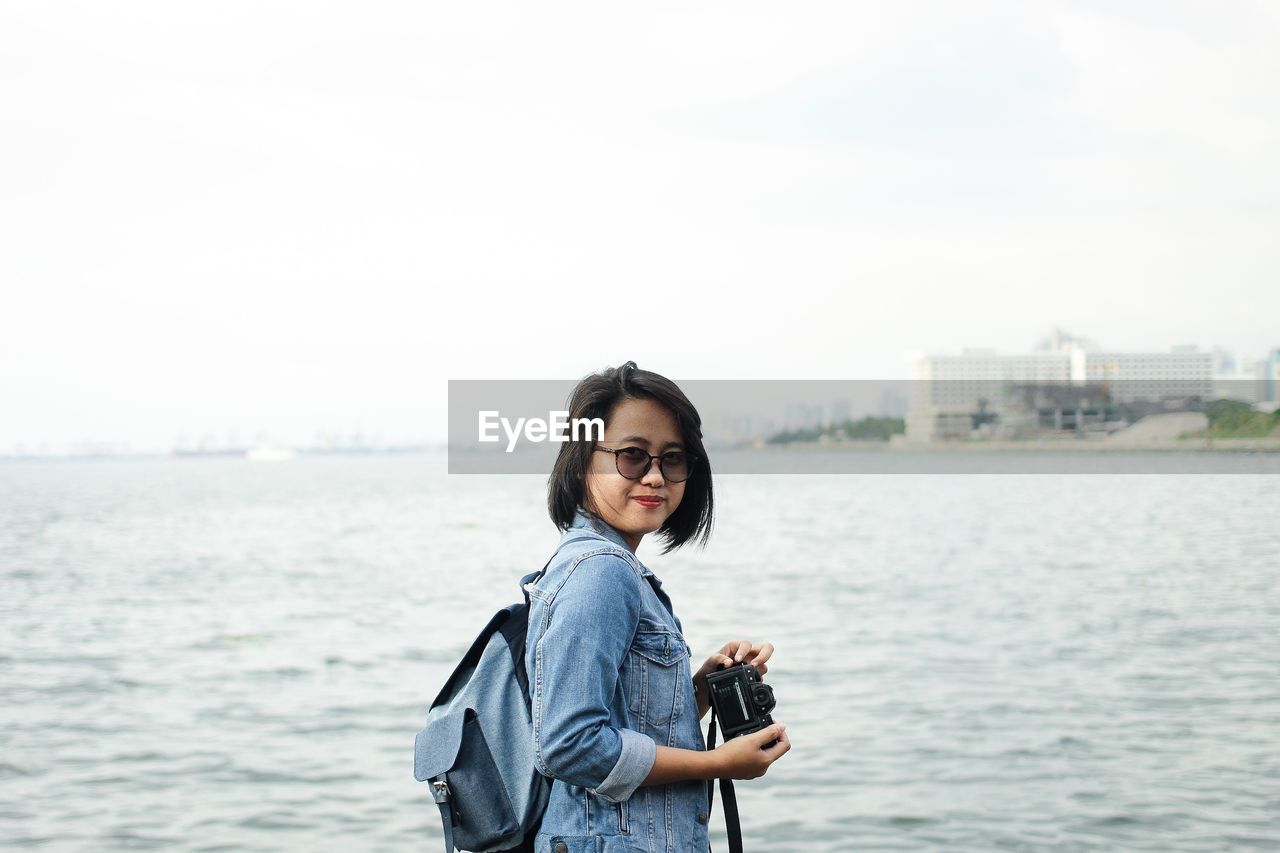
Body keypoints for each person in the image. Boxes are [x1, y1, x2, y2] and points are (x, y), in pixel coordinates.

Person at [524, 361, 791, 853]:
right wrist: (720, 763)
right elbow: (569, 745)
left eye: (672, 459)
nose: (654, 476)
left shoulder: (609, 568)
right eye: (632, 456)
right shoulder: (601, 570)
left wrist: (701, 691)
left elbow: (620, 723)